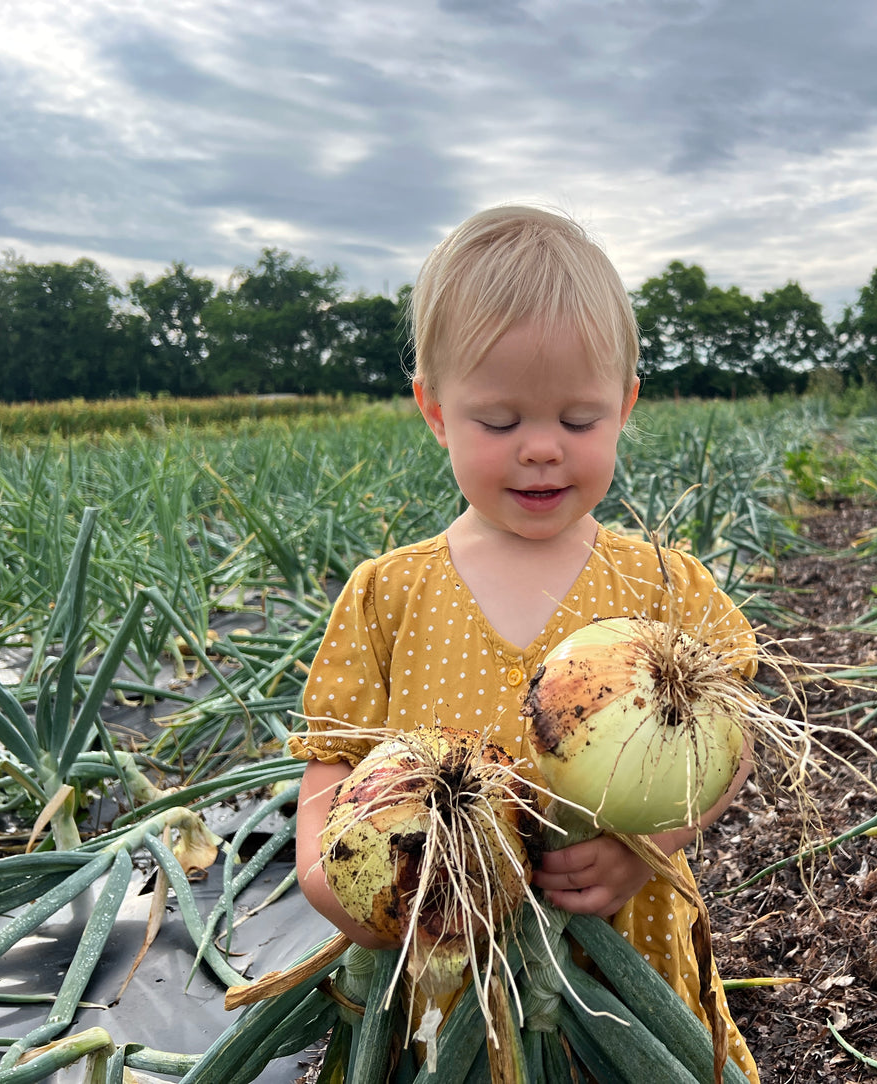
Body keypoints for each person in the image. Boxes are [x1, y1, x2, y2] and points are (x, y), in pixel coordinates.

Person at [290, 204, 759, 1081]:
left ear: (624, 407)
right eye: (498, 423)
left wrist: (648, 846)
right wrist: (336, 885)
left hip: (626, 970)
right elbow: (332, 770)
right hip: (447, 977)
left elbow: (731, 743)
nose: (540, 450)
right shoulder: (388, 595)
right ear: (434, 410)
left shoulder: (664, 583)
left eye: (579, 421)